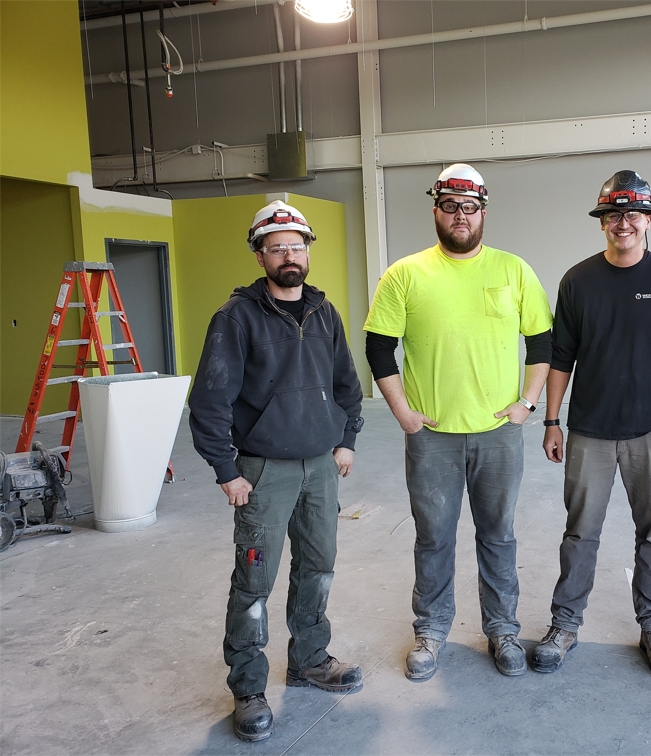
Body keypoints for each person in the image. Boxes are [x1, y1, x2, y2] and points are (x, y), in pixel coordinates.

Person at [363, 164, 553, 681]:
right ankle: (431, 630)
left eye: (469, 208)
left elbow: (542, 343)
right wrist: (402, 411)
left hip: (498, 434)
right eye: (450, 206)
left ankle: (503, 629)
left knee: (498, 535)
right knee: (434, 536)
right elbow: (379, 347)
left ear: (483, 212)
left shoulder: (513, 270)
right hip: (433, 439)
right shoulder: (405, 273)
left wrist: (528, 403)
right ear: (436, 211)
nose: (460, 216)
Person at [189, 201, 365, 742]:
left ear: (308, 251)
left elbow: (345, 383)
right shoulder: (236, 318)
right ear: (260, 254)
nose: (289, 255)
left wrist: (346, 439)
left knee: (318, 568)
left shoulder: (324, 312)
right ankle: (247, 687)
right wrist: (226, 470)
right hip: (263, 474)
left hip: (320, 468)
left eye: (297, 245)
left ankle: (310, 660)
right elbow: (210, 400)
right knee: (254, 581)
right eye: (277, 247)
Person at [529, 170, 651, 678]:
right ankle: (565, 625)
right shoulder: (578, 281)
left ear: (648, 220)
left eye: (632, 214)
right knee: (580, 532)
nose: (622, 223)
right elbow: (562, 355)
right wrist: (553, 421)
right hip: (589, 431)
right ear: (602, 221)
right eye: (612, 214)